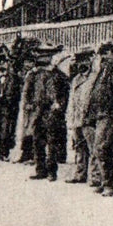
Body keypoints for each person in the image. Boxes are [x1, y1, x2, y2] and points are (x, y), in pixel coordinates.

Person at [84, 41, 113, 197]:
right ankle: (104, 183)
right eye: (101, 54)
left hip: (108, 115)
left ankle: (110, 185)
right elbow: (94, 92)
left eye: (106, 53)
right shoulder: (102, 70)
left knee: (103, 148)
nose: (103, 57)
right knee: (100, 149)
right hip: (98, 114)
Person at [28, 49, 68, 181]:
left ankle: (51, 171)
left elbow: (65, 94)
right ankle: (40, 170)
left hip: (52, 113)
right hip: (38, 112)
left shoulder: (59, 76)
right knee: (37, 142)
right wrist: (30, 104)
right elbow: (28, 91)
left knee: (52, 142)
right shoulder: (34, 75)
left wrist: (60, 105)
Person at [65, 49, 99, 184]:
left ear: (90, 61)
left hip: (89, 118)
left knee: (93, 148)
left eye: (84, 61)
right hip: (76, 118)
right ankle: (80, 174)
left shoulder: (95, 78)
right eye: (79, 62)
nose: (81, 65)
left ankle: (95, 177)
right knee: (79, 147)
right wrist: (70, 118)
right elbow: (71, 100)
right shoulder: (76, 79)